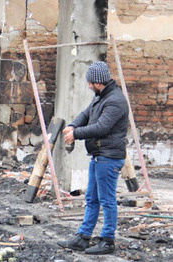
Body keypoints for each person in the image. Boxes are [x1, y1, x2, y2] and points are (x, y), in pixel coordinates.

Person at [57, 61, 129, 255]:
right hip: (99, 156)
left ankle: (107, 241)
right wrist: (73, 125)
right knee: (92, 198)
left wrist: (76, 134)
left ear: (98, 82)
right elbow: (86, 114)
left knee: (107, 200)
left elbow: (102, 127)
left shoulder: (115, 101)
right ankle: (83, 237)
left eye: (90, 82)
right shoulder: (101, 96)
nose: (88, 85)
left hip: (109, 157)